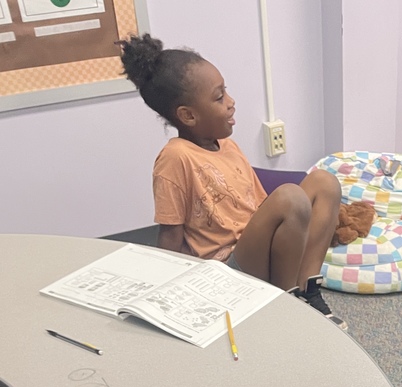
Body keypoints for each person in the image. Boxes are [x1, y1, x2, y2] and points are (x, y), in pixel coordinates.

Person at [119, 34, 346, 327]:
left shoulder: (226, 145)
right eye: (218, 97)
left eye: (226, 92)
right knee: (290, 197)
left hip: (257, 250)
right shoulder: (175, 158)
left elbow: (259, 205)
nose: (231, 102)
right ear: (187, 115)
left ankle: (305, 290)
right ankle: (286, 305)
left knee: (325, 182)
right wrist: (167, 302)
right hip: (227, 269)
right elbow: (170, 235)